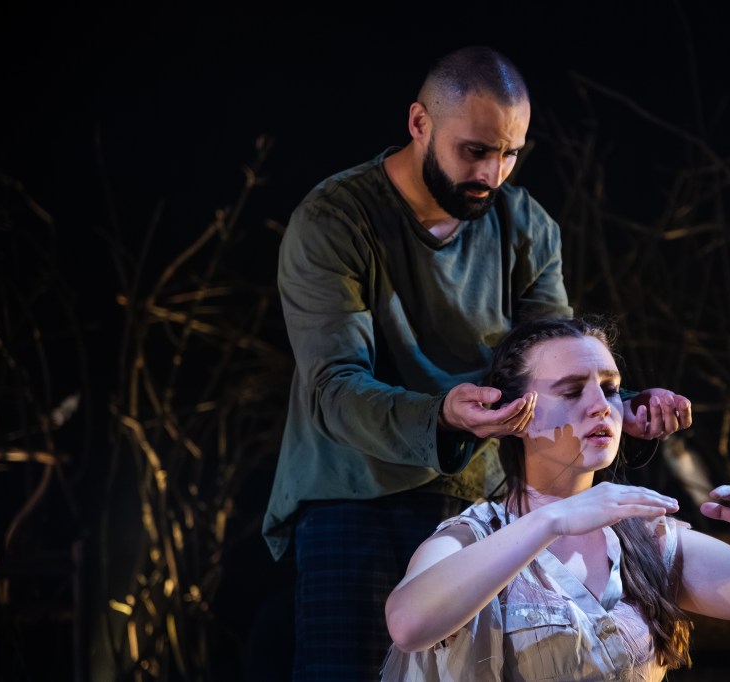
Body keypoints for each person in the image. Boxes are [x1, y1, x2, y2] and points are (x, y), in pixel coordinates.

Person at [261, 46, 694, 680]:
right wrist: (442, 414)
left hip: (486, 499)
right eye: (475, 151)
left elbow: (552, 360)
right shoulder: (336, 220)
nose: (493, 173)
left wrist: (620, 408)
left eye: (511, 154)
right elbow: (335, 388)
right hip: (356, 494)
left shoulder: (527, 226)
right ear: (419, 123)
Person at [381, 316, 730, 681]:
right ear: (514, 414)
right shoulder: (472, 537)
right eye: (572, 390)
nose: (602, 406)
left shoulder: (647, 541)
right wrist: (552, 520)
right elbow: (408, 625)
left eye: (610, 389)